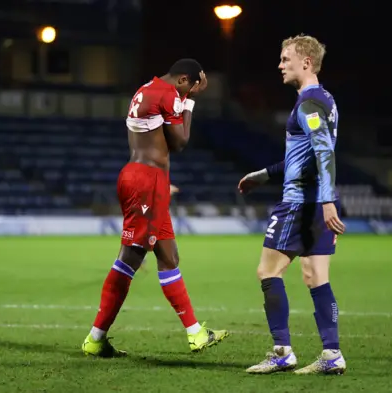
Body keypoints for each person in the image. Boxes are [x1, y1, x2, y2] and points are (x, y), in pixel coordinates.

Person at [82, 59, 230, 357]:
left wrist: (160, 185)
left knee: (168, 255)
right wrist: (188, 104)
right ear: (183, 80)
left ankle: (195, 332)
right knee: (130, 257)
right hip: (146, 182)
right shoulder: (169, 94)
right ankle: (95, 338)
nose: (191, 91)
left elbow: (153, 140)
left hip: (144, 179)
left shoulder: (146, 89)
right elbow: (180, 142)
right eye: (191, 85)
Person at [238, 34, 347, 375]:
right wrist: (265, 174)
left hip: (301, 203)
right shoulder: (325, 99)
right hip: (315, 202)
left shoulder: (309, 103)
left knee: (268, 271)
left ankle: (282, 350)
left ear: (306, 62)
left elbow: (324, 153)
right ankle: (332, 354)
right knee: (316, 277)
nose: (280, 65)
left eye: (286, 59)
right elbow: (307, 156)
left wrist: (328, 202)